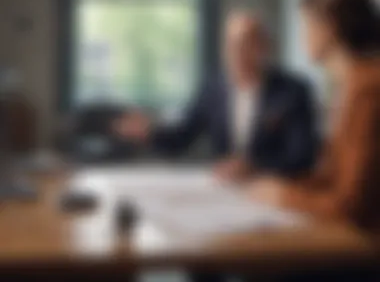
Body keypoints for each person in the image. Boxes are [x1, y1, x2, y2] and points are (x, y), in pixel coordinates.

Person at [115, 11, 318, 181]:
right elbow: (182, 137)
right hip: (224, 191)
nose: (237, 51)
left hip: (275, 192)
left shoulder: (293, 91)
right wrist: (149, 132)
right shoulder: (212, 89)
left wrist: (254, 167)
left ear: (264, 47)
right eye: (230, 44)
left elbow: (302, 157)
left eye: (247, 42)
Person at [249, 0, 380, 230]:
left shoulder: (367, 91)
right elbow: (334, 178)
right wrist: (283, 187)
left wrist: (284, 197)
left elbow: (350, 206)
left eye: (307, 24)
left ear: (329, 27)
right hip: (350, 238)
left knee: (266, 266)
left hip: (364, 250)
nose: (302, 35)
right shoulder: (348, 86)